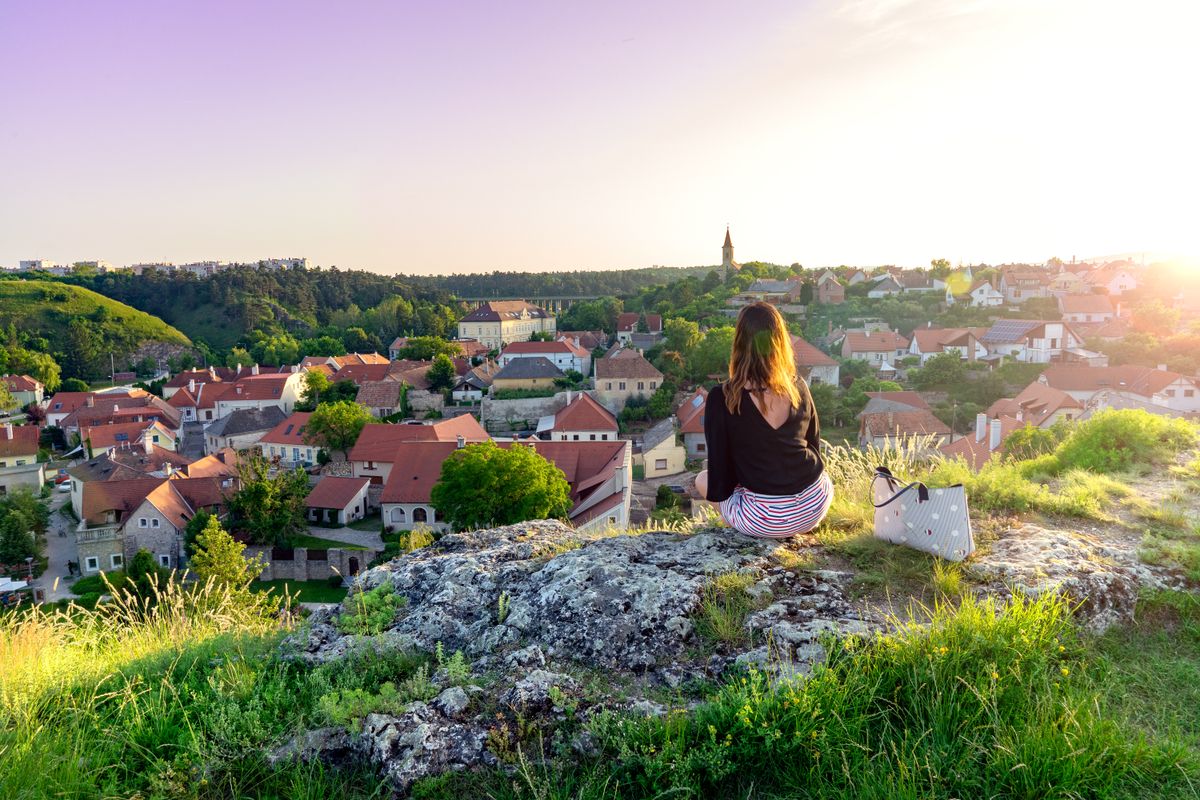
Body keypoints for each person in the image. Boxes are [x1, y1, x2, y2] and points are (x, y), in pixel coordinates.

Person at [694, 302, 833, 538]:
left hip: (765, 519)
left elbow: (719, 478)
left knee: (701, 479)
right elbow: (814, 445)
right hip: (815, 504)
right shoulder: (799, 386)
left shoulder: (724, 397)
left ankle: (743, 529)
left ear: (739, 343)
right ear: (780, 342)